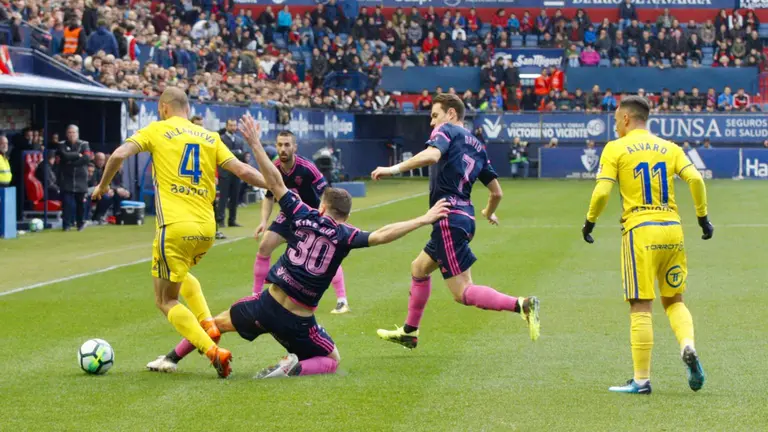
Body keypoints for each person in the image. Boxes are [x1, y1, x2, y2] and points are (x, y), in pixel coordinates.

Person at [146, 113, 451, 377]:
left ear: (321, 206)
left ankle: (171, 358)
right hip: (299, 322)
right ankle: (295, 367)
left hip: (265, 307)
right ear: (345, 215)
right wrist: (423, 219)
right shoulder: (345, 235)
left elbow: (276, 182)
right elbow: (384, 233)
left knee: (214, 325)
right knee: (331, 360)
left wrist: (254, 144)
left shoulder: (302, 213)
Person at [92, 88, 268, 379]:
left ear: (163, 108)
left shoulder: (157, 130)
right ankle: (208, 322)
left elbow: (119, 154)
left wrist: (102, 187)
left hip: (174, 228)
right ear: (188, 109)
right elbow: (242, 170)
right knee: (180, 272)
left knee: (165, 300)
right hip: (207, 229)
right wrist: (279, 188)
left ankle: (212, 351)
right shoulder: (210, 136)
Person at [370, 93, 540, 349]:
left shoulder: (448, 130)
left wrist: (391, 169)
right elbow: (497, 192)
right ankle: (409, 331)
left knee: (463, 292)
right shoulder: (479, 146)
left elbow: (431, 157)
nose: (432, 123)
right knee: (419, 268)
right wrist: (487, 212)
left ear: (451, 114)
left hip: (448, 218)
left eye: (434, 115)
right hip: (464, 217)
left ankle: (523, 305)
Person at [581, 95, 712, 395]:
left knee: (640, 305)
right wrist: (703, 219)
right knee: (674, 300)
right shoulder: (670, 147)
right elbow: (696, 180)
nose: (615, 124)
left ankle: (641, 380)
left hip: (640, 231)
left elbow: (602, 192)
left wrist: (590, 222)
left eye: (616, 119)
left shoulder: (615, 148)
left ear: (626, 118)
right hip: (673, 230)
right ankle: (687, 345)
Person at [249, 130, 351, 314]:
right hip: (288, 217)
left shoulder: (307, 168)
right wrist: (263, 221)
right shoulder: (275, 167)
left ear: (295, 147)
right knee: (264, 247)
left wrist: (327, 218)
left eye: (287, 145)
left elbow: (326, 194)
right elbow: (269, 196)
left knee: (324, 256)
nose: (283, 149)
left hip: (311, 217)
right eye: (280, 144)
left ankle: (342, 300)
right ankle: (255, 296)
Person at [191, 115, 226, 240]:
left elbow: (212, 159)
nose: (199, 128)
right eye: (197, 125)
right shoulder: (185, 139)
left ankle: (214, 230)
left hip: (206, 178)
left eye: (201, 125)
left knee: (212, 204)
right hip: (190, 178)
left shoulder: (207, 140)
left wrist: (215, 175)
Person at [58, 125, 91, 231]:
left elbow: (86, 158)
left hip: (81, 178)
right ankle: (66, 225)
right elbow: (63, 156)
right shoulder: (61, 144)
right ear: (66, 134)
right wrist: (78, 155)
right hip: (66, 178)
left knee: (80, 203)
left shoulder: (84, 144)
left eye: (74, 132)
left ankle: (80, 223)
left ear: (78, 133)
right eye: (69, 132)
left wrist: (70, 162)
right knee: (67, 203)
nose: (72, 135)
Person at [216, 119, 246, 229]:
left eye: (234, 125)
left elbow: (242, 155)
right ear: (227, 126)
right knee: (223, 197)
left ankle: (232, 219)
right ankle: (220, 219)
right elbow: (224, 153)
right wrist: (237, 152)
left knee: (235, 197)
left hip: (236, 173)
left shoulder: (239, 140)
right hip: (225, 172)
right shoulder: (221, 139)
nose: (233, 127)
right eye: (231, 125)